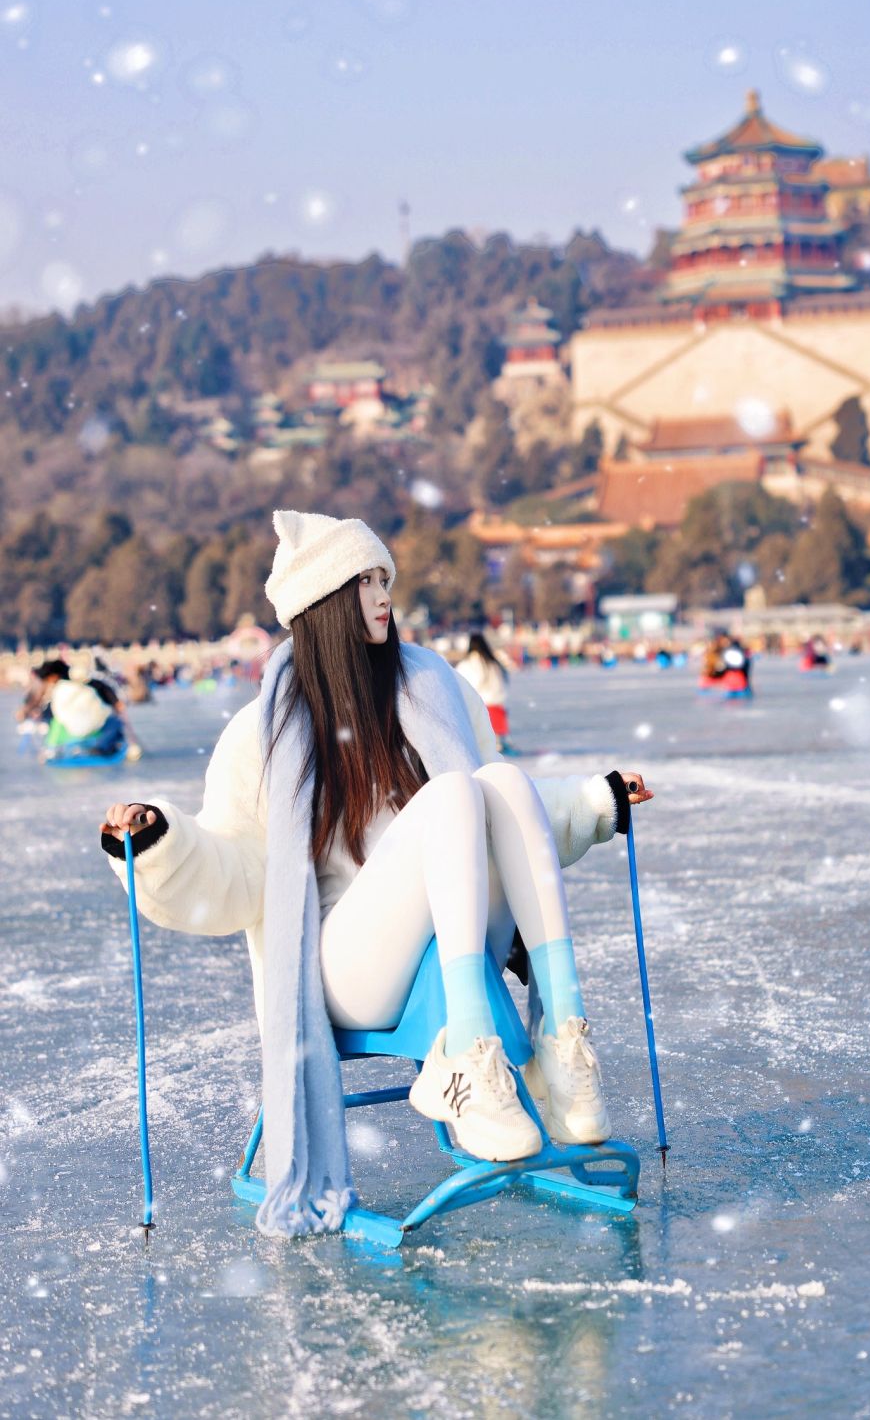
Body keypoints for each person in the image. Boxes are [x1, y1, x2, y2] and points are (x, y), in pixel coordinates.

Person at [100, 509, 653, 1238]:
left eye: (383, 577)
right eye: (363, 581)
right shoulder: (261, 734)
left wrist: (593, 802)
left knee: (502, 785)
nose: (383, 593)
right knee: (456, 793)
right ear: (323, 604)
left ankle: (560, 1038)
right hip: (341, 972)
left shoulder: (432, 684)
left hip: (451, 948)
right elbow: (234, 867)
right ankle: (471, 1052)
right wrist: (161, 842)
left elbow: (507, 824)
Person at [35, 659, 127, 760]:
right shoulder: (86, 684)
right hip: (93, 725)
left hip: (71, 730)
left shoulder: (59, 689)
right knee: (115, 723)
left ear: (53, 676)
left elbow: (52, 712)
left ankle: (52, 750)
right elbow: (103, 690)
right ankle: (101, 747)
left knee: (53, 723)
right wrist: (115, 703)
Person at [456, 632, 516, 754]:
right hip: (497, 706)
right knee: (496, 740)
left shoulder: (466, 664)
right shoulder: (494, 663)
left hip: (478, 707)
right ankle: (501, 743)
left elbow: (459, 685)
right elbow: (502, 685)